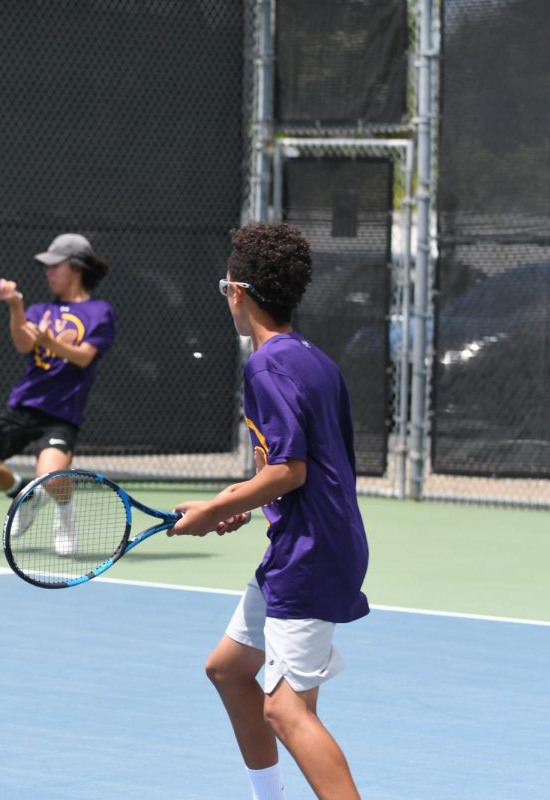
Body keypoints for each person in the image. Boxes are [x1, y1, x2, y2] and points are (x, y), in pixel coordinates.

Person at [169, 222, 369, 800]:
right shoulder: (312, 359)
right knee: (229, 671)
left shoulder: (266, 365)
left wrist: (214, 508)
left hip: (311, 554)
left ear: (238, 290)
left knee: (287, 711)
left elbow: (291, 470)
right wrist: (238, 504)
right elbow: (296, 470)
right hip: (307, 542)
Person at [0, 233, 115, 553]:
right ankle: (23, 494)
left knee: (51, 476)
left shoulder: (100, 312)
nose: (48, 272)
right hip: (24, 405)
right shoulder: (41, 309)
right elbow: (24, 343)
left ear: (76, 268)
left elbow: (84, 357)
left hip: (62, 413)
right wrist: (15, 304)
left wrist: (50, 342)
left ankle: (65, 515)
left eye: (55, 266)